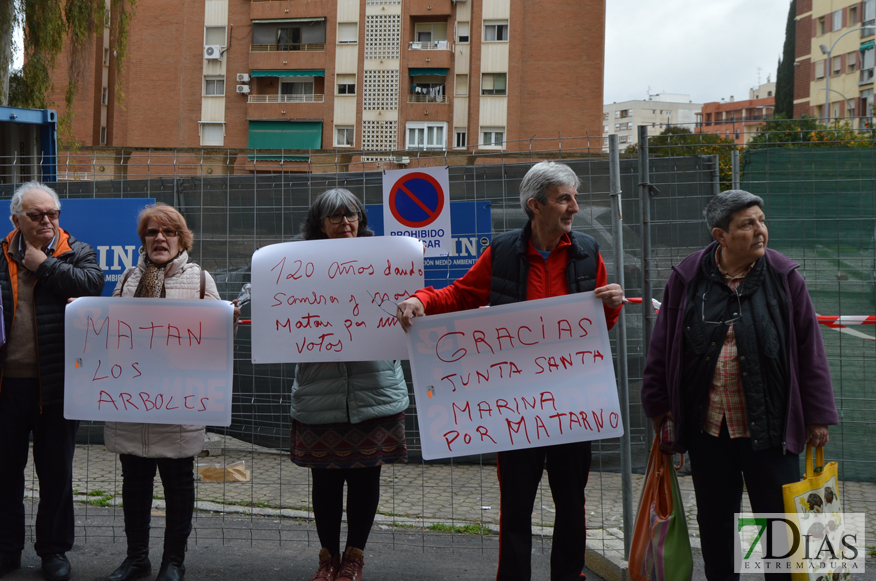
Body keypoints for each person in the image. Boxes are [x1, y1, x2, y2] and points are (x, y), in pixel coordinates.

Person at [395, 161, 625, 581]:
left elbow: (598, 328)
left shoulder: (588, 252)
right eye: (564, 199)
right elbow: (462, 293)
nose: (574, 207)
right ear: (535, 206)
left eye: (574, 197)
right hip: (515, 407)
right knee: (516, 506)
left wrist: (610, 306)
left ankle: (567, 576)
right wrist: (421, 300)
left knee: (572, 505)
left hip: (571, 403)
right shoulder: (502, 252)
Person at [639, 190, 838, 581]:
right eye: (748, 224)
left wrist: (817, 416)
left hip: (772, 426)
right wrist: (659, 406)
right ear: (721, 236)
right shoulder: (686, 277)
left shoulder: (785, 277)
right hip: (707, 426)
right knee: (716, 525)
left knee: (780, 529)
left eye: (761, 220)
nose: (761, 230)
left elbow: (809, 349)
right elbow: (663, 346)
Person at [0, 182, 104, 581]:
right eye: (37, 216)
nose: (47, 222)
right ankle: (4, 551)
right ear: (16, 219)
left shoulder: (77, 251)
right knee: (2, 474)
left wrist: (42, 264)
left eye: (53, 214)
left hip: (56, 388)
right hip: (3, 386)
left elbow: (91, 284)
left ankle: (53, 552)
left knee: (56, 474)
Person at [104, 203, 230, 581]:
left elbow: (217, 344)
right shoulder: (127, 278)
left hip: (177, 404)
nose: (160, 238)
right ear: (143, 239)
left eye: (168, 232)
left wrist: (231, 322)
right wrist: (85, 316)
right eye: (152, 232)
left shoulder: (202, 281)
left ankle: (173, 561)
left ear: (181, 239)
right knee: (135, 483)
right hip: (133, 402)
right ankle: (136, 558)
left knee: (178, 485)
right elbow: (108, 332)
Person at [292, 188, 410, 581]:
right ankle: (328, 559)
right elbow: (270, 304)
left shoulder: (386, 260)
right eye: (335, 217)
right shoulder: (292, 264)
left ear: (361, 221)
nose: (345, 224)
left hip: (373, 389)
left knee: (365, 479)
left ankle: (354, 559)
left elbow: (411, 300)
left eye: (352, 216)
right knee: (323, 480)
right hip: (320, 392)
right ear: (319, 225)